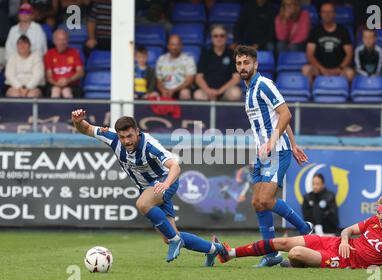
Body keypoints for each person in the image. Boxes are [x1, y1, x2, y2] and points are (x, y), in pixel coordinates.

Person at [71, 109, 227, 266]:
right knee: (169, 236)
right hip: (148, 188)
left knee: (143, 204)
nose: (126, 141)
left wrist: (166, 184)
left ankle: (175, 240)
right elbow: (86, 128)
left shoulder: (150, 145)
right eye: (122, 137)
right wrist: (78, 121)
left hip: (165, 182)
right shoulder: (111, 137)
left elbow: (175, 166)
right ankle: (215, 249)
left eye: (130, 136)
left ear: (137, 132)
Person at [234, 45, 313, 268]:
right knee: (258, 203)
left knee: (266, 200)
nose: (242, 67)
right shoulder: (248, 89)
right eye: (239, 63)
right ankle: (271, 255)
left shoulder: (264, 84)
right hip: (263, 152)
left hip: (277, 150)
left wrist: (277, 143)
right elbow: (279, 116)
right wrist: (294, 144)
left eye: (246, 62)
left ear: (255, 64)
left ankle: (305, 228)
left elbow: (286, 112)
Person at [214, 195, 382, 271]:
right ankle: (229, 254)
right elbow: (348, 230)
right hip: (335, 243)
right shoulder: (374, 221)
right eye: (379, 212)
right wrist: (346, 240)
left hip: (347, 261)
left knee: (295, 252)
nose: (380, 216)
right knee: (283, 242)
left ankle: (288, 264)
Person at [302, 2, 354, 83]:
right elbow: (310, 54)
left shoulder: (343, 30)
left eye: (329, 12)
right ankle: (312, 95)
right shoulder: (315, 31)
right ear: (321, 14)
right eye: (324, 12)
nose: (327, 14)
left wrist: (339, 69)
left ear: (334, 14)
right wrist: (322, 69)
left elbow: (349, 54)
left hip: (339, 69)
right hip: (319, 69)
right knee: (306, 70)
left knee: (350, 73)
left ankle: (344, 95)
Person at [193, 25, 241, 101]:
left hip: (226, 91)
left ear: (226, 38)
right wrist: (208, 91)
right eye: (215, 36)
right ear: (212, 38)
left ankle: (227, 113)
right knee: (198, 95)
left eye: (222, 36)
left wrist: (219, 91)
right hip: (207, 92)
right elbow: (199, 77)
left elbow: (236, 78)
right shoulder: (205, 55)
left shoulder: (233, 55)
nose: (219, 38)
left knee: (236, 93)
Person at [44, 29, 84, 98]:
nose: (61, 42)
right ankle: (54, 109)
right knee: (55, 90)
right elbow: (49, 77)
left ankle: (70, 109)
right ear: (54, 41)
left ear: (68, 40)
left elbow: (80, 72)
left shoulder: (74, 52)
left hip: (73, 86)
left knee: (66, 91)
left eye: (64, 39)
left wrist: (68, 80)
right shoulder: (49, 54)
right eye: (58, 40)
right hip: (54, 85)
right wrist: (57, 83)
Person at [156, 34, 196, 100]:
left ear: (182, 46)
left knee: (185, 93)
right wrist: (163, 90)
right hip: (165, 90)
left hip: (181, 89)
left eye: (177, 44)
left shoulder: (189, 59)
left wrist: (173, 91)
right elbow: (159, 81)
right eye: (172, 44)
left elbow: (189, 81)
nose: (175, 47)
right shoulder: (161, 59)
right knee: (153, 95)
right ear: (168, 46)